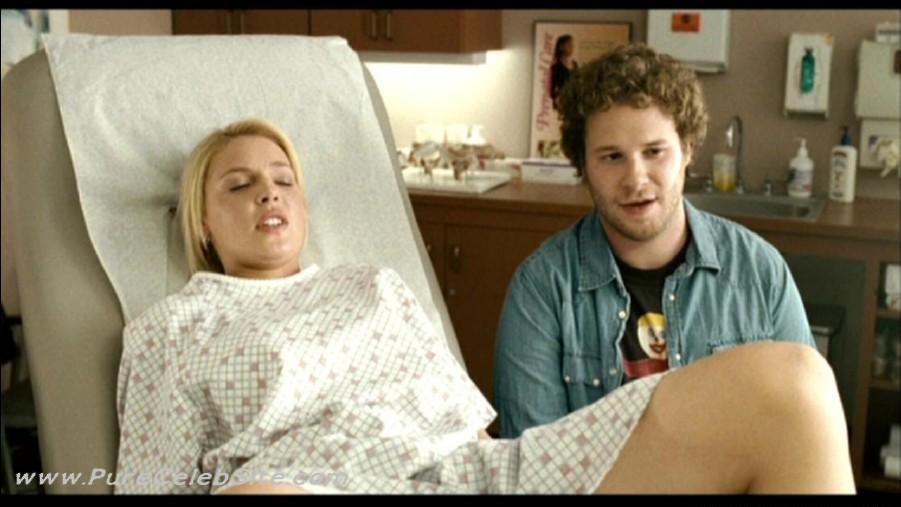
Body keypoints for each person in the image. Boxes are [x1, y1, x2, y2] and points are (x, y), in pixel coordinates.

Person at [115, 118, 853, 494]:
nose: (269, 193)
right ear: (201, 220)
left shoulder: (371, 287)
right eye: (239, 184)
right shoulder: (174, 328)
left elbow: (464, 421)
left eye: (283, 179)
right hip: (292, 484)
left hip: (464, 476)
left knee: (793, 382)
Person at [494, 43, 818, 440]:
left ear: (687, 150)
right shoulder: (541, 289)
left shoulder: (760, 272)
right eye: (612, 157)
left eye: (654, 152)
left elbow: (808, 431)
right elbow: (533, 463)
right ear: (583, 166)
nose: (636, 179)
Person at [550, 34, 578, 111]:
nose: (572, 47)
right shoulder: (555, 67)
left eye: (572, 45)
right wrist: (556, 98)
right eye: (569, 44)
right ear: (561, 47)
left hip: (574, 102)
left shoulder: (575, 64)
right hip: (562, 104)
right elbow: (551, 89)